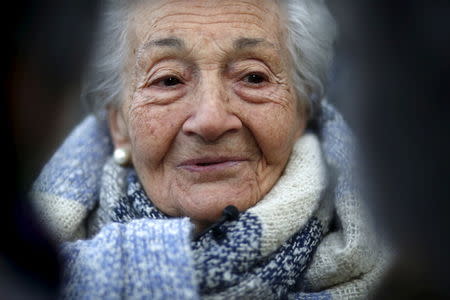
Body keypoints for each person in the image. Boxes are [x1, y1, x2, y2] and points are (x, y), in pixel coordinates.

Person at [31, 0, 390, 298]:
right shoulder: (30, 276)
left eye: (253, 76)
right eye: (168, 80)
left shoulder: (410, 273)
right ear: (118, 126)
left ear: (301, 114)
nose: (210, 120)